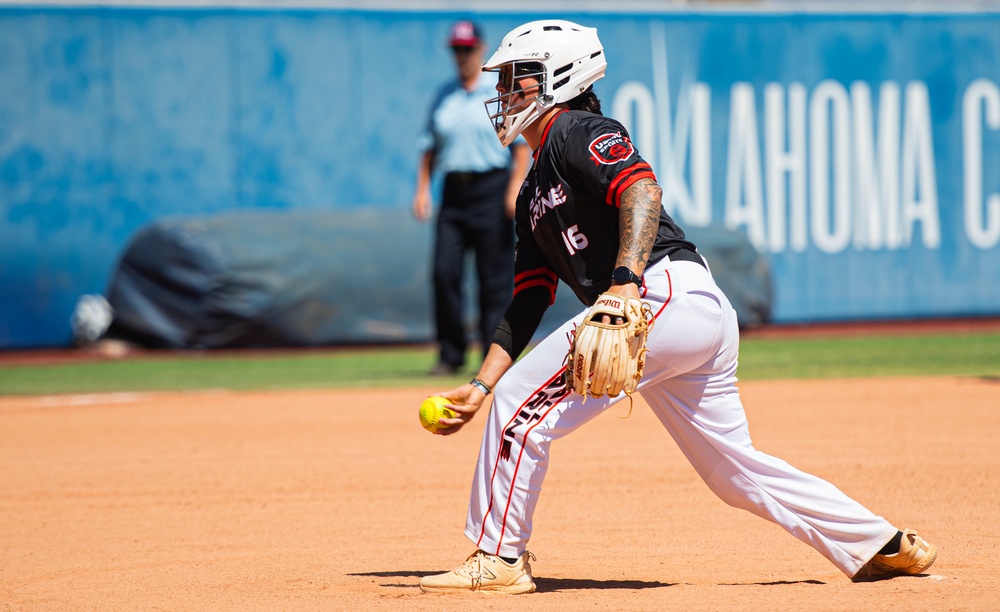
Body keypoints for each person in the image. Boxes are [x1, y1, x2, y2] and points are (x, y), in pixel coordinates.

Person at [418, 19, 938, 594]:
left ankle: (499, 558)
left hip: (660, 295)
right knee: (732, 472)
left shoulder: (575, 129)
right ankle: (877, 542)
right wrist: (483, 383)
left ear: (558, 76)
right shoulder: (531, 191)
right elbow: (530, 296)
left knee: (521, 407)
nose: (503, 91)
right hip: (680, 312)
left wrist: (624, 283)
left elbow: (641, 188)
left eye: (517, 77)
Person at [413, 20, 531, 376]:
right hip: (454, 192)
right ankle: (451, 354)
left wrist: (514, 189)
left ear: (481, 49)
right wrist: (422, 189)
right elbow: (429, 146)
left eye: (467, 49)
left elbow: (520, 147)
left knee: (493, 279)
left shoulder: (496, 91)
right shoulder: (444, 95)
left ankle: (491, 357)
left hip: (492, 189)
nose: (462, 56)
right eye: (457, 50)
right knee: (444, 273)